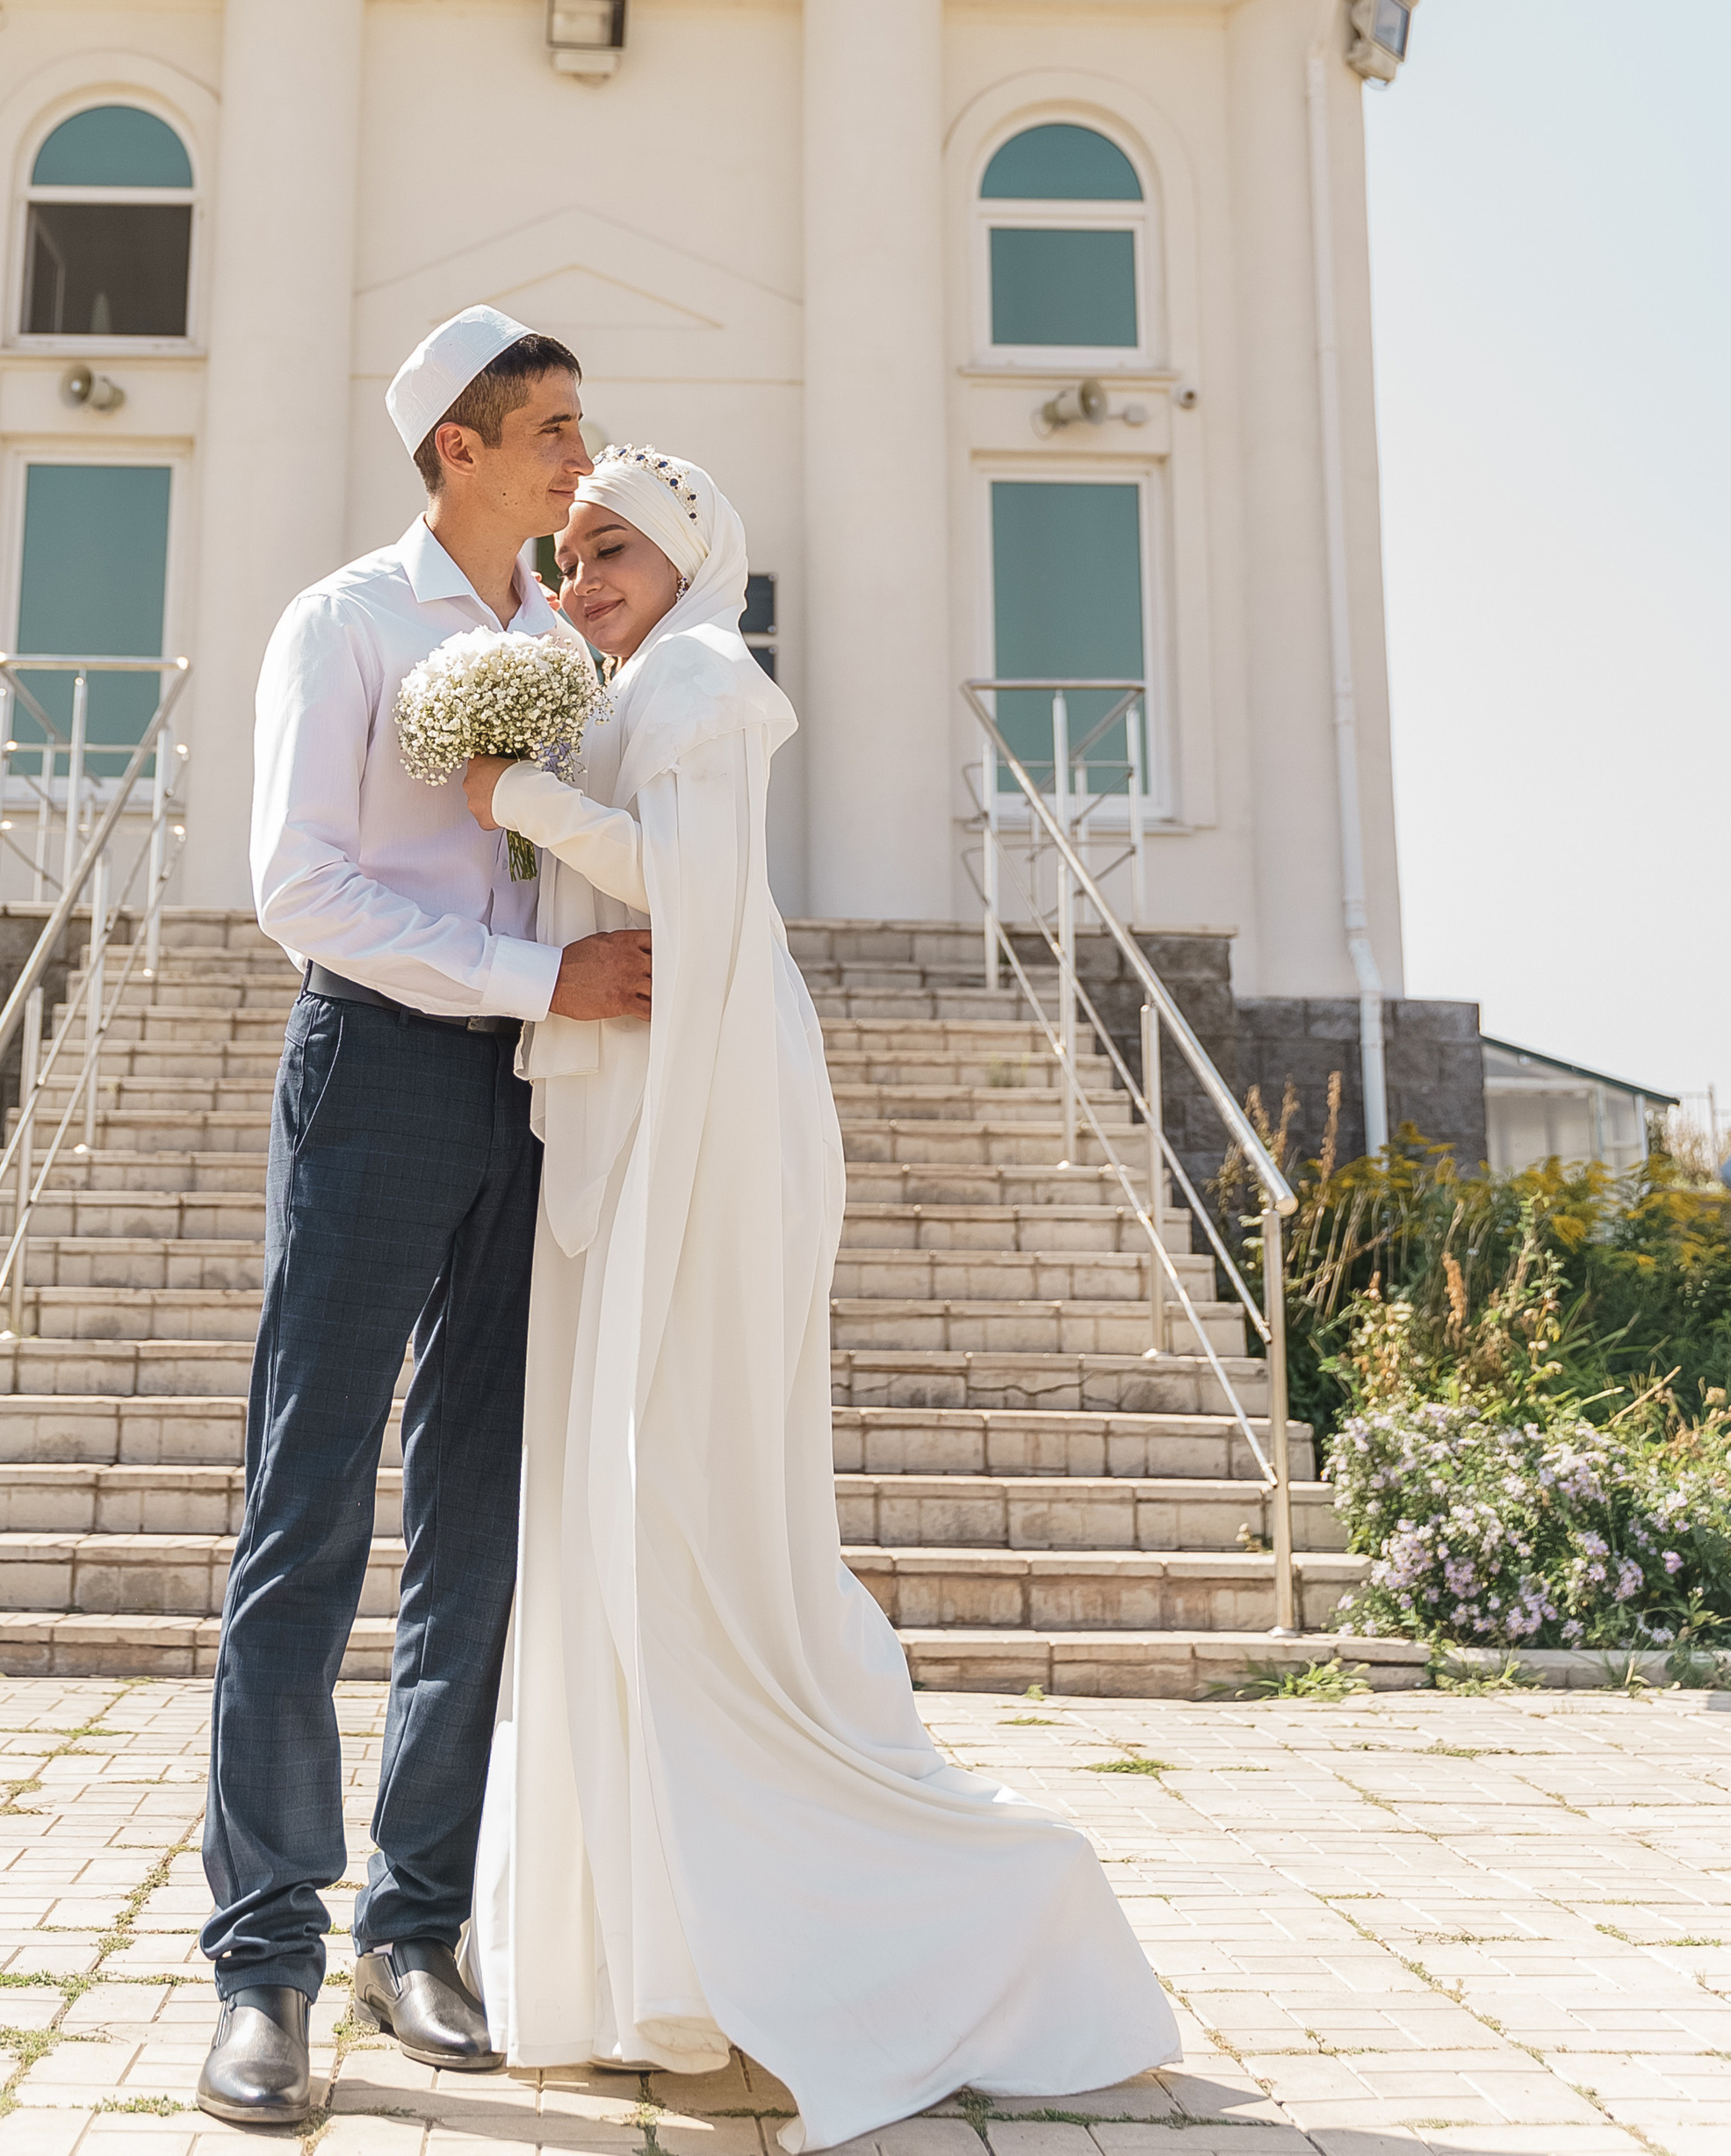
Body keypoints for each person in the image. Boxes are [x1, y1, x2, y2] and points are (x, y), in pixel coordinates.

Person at [465, 444, 1178, 2150]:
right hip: (647, 1104)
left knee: (684, 1519)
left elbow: (696, 895)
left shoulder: (707, 678)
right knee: (620, 1525)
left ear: (690, 551)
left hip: (714, 1120)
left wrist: (508, 792)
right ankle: (653, 1959)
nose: (581, 587)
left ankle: (910, 1926)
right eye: (566, 562)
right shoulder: (631, 688)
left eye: (611, 549)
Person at [195, 310, 653, 2128]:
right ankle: (262, 1969)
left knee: (477, 1522)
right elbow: (295, 883)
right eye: (548, 431)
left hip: (536, 1101)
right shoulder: (346, 624)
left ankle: (420, 1931)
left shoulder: (568, 646)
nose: (575, 462)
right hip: (380, 1066)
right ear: (456, 451)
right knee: (303, 1519)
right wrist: (521, 972)